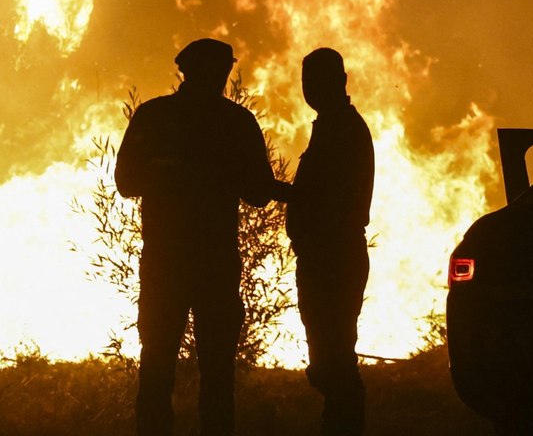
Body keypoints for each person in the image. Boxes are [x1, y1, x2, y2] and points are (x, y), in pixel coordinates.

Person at [114, 38, 284, 436]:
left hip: (166, 264)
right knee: (216, 374)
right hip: (213, 264)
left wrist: (170, 173)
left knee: (157, 368)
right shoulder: (236, 122)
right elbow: (259, 193)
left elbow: (126, 182)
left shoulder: (153, 116)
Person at [285, 47, 374, 436]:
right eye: (306, 82)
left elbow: (329, 198)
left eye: (315, 80)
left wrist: (282, 194)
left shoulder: (343, 130)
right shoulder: (331, 126)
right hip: (325, 256)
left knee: (334, 362)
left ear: (340, 81)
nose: (309, 89)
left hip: (333, 259)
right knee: (330, 359)